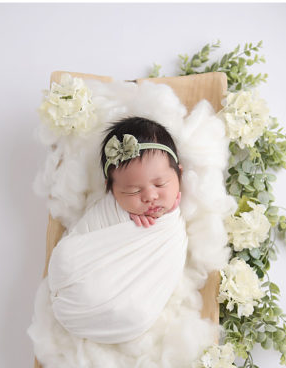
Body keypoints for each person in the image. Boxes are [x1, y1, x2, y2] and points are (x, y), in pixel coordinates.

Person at [45, 117, 188, 344]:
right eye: (132, 191)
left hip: (124, 309)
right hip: (80, 279)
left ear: (179, 174)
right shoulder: (109, 209)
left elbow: (166, 262)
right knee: (65, 259)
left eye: (160, 185)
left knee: (136, 315)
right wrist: (126, 221)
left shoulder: (171, 229)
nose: (150, 196)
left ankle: (113, 314)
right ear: (111, 190)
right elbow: (87, 238)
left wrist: (165, 216)